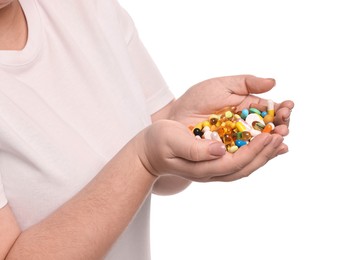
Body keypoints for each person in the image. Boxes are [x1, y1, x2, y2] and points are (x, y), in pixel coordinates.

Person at [0, 0, 294, 259]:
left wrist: (183, 126)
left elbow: (160, 173)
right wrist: (142, 160)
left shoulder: (85, 7)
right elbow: (144, 157)